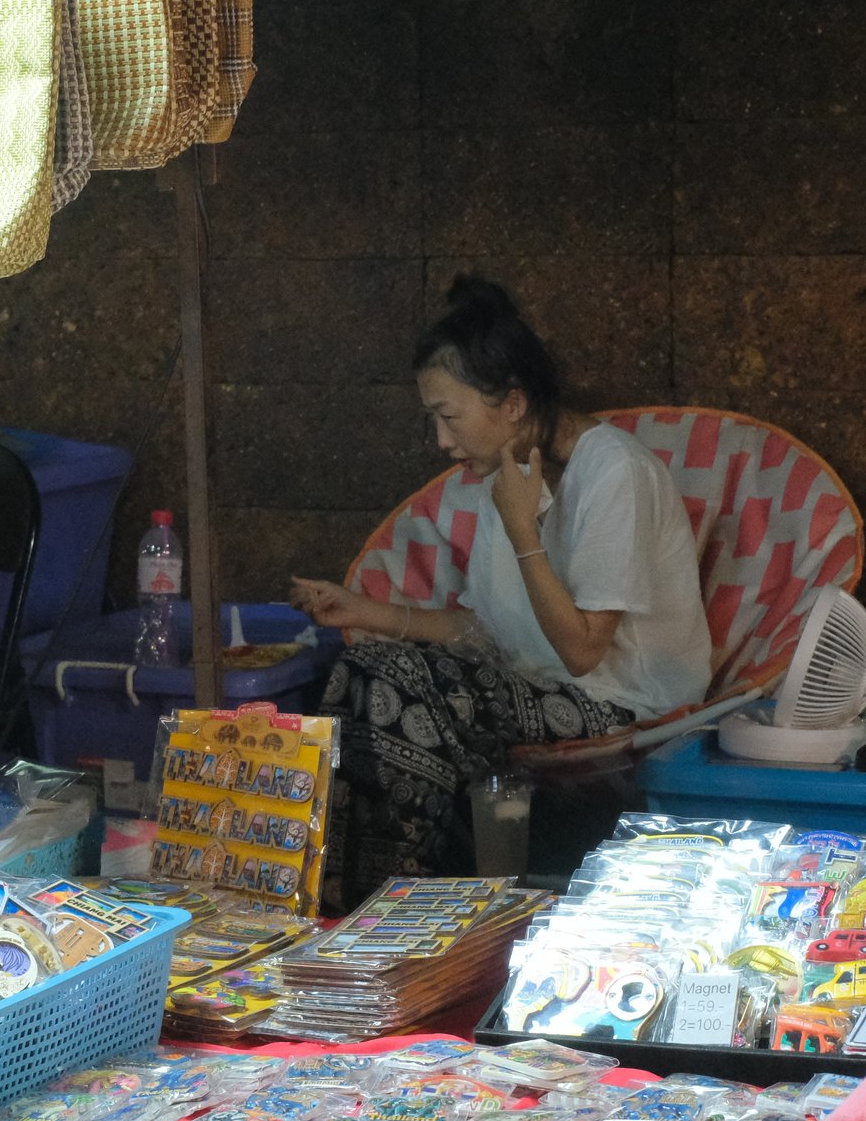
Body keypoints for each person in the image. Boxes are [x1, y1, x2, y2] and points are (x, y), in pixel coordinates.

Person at [290, 275, 712, 884]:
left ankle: (395, 895)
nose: (441, 440)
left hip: (627, 710)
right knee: (360, 670)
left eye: (448, 417)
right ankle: (348, 902)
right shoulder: (509, 471)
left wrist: (523, 531)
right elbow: (489, 628)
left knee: (404, 688)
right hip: (538, 692)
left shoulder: (614, 473)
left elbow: (583, 649)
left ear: (513, 404)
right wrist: (365, 613)